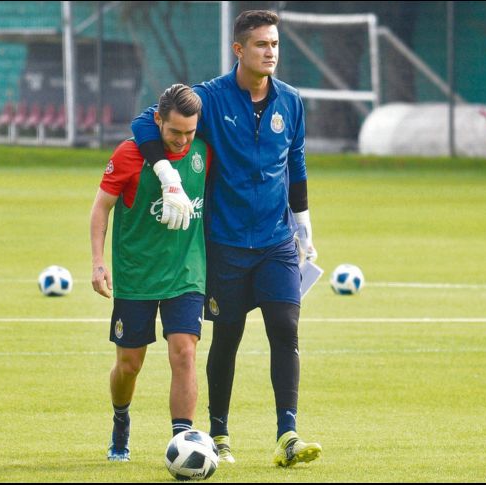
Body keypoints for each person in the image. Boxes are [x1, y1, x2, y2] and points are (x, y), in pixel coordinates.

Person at [130, 10, 321, 467]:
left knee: (285, 329)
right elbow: (145, 122)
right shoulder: (210, 98)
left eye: (274, 44)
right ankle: (218, 434)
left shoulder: (291, 101)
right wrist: (165, 172)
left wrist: (304, 228)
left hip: (276, 242)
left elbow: (295, 166)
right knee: (228, 336)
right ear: (239, 50)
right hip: (226, 244)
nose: (270, 52)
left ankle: (287, 434)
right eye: (261, 45)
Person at [90, 84, 211, 462]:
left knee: (185, 352)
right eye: (175, 132)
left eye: (189, 132)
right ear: (157, 120)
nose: (182, 140)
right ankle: (121, 419)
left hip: (186, 272)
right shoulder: (130, 154)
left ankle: (184, 441)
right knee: (129, 365)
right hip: (136, 275)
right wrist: (98, 262)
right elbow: (100, 209)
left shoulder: (204, 150)